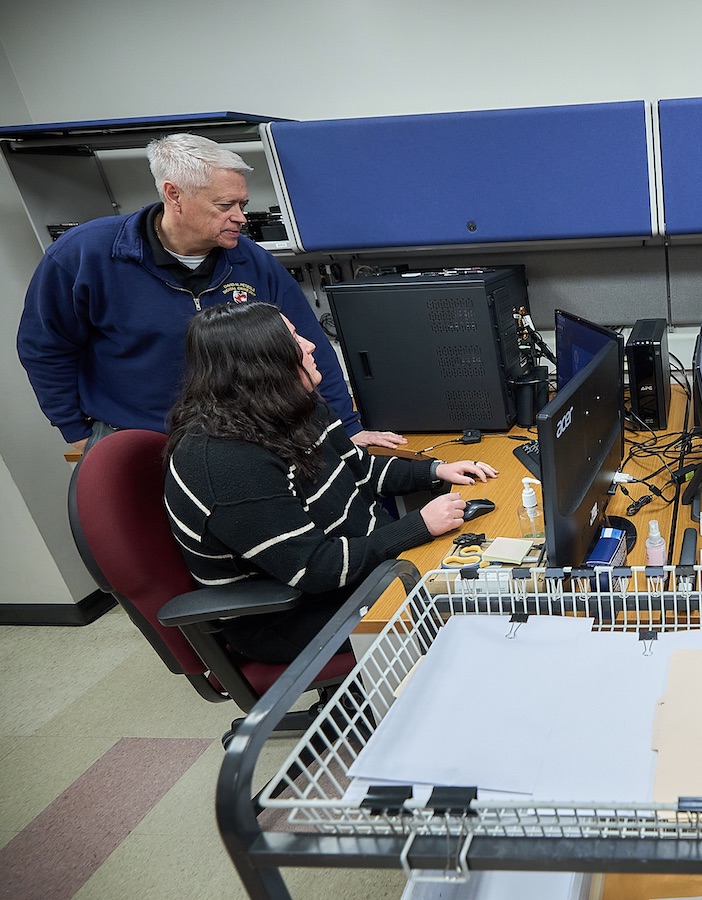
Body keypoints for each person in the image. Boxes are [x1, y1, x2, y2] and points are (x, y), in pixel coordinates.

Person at [16, 132, 404, 453]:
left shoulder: (251, 262)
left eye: (243, 204)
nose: (240, 217)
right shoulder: (84, 255)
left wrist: (346, 426)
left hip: (244, 439)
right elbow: (44, 348)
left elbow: (307, 345)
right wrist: (77, 432)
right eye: (225, 205)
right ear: (174, 195)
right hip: (138, 440)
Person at [163, 302, 496, 664]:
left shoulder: (293, 407)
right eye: (292, 339)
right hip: (290, 616)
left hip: (356, 571)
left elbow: (362, 470)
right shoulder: (226, 463)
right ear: (261, 364)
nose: (310, 345)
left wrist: (434, 471)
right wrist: (418, 526)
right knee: (474, 612)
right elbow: (314, 569)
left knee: (486, 580)